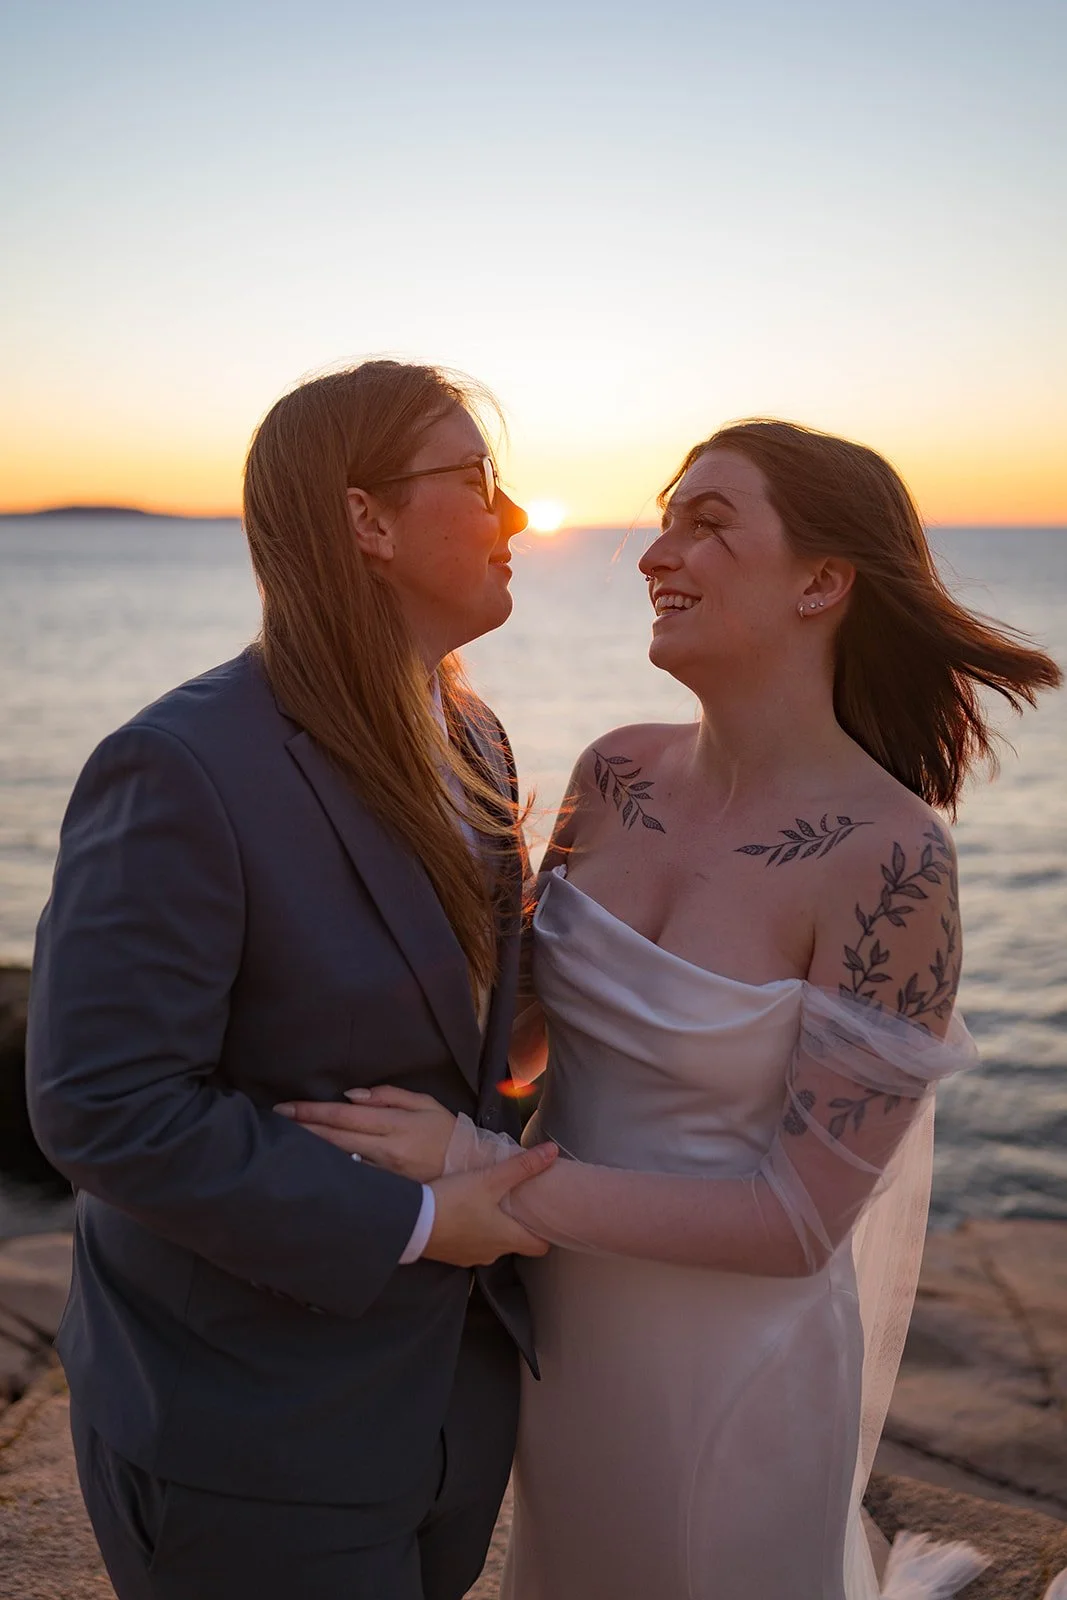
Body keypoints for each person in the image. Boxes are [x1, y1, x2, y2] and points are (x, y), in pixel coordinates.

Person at [283, 419, 1062, 1598]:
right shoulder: (615, 772)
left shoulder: (887, 857)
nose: (655, 552)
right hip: (555, 1334)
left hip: (730, 1362)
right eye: (661, 518)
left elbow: (797, 1220)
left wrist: (480, 1171)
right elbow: (522, 1037)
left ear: (820, 581)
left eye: (706, 523)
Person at [26, 359, 559, 1600]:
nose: (515, 514)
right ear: (365, 520)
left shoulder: (472, 733)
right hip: (245, 1427)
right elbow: (104, 1105)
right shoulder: (178, 767)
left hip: (446, 1405)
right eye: (476, 480)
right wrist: (426, 1219)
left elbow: (493, 1035)